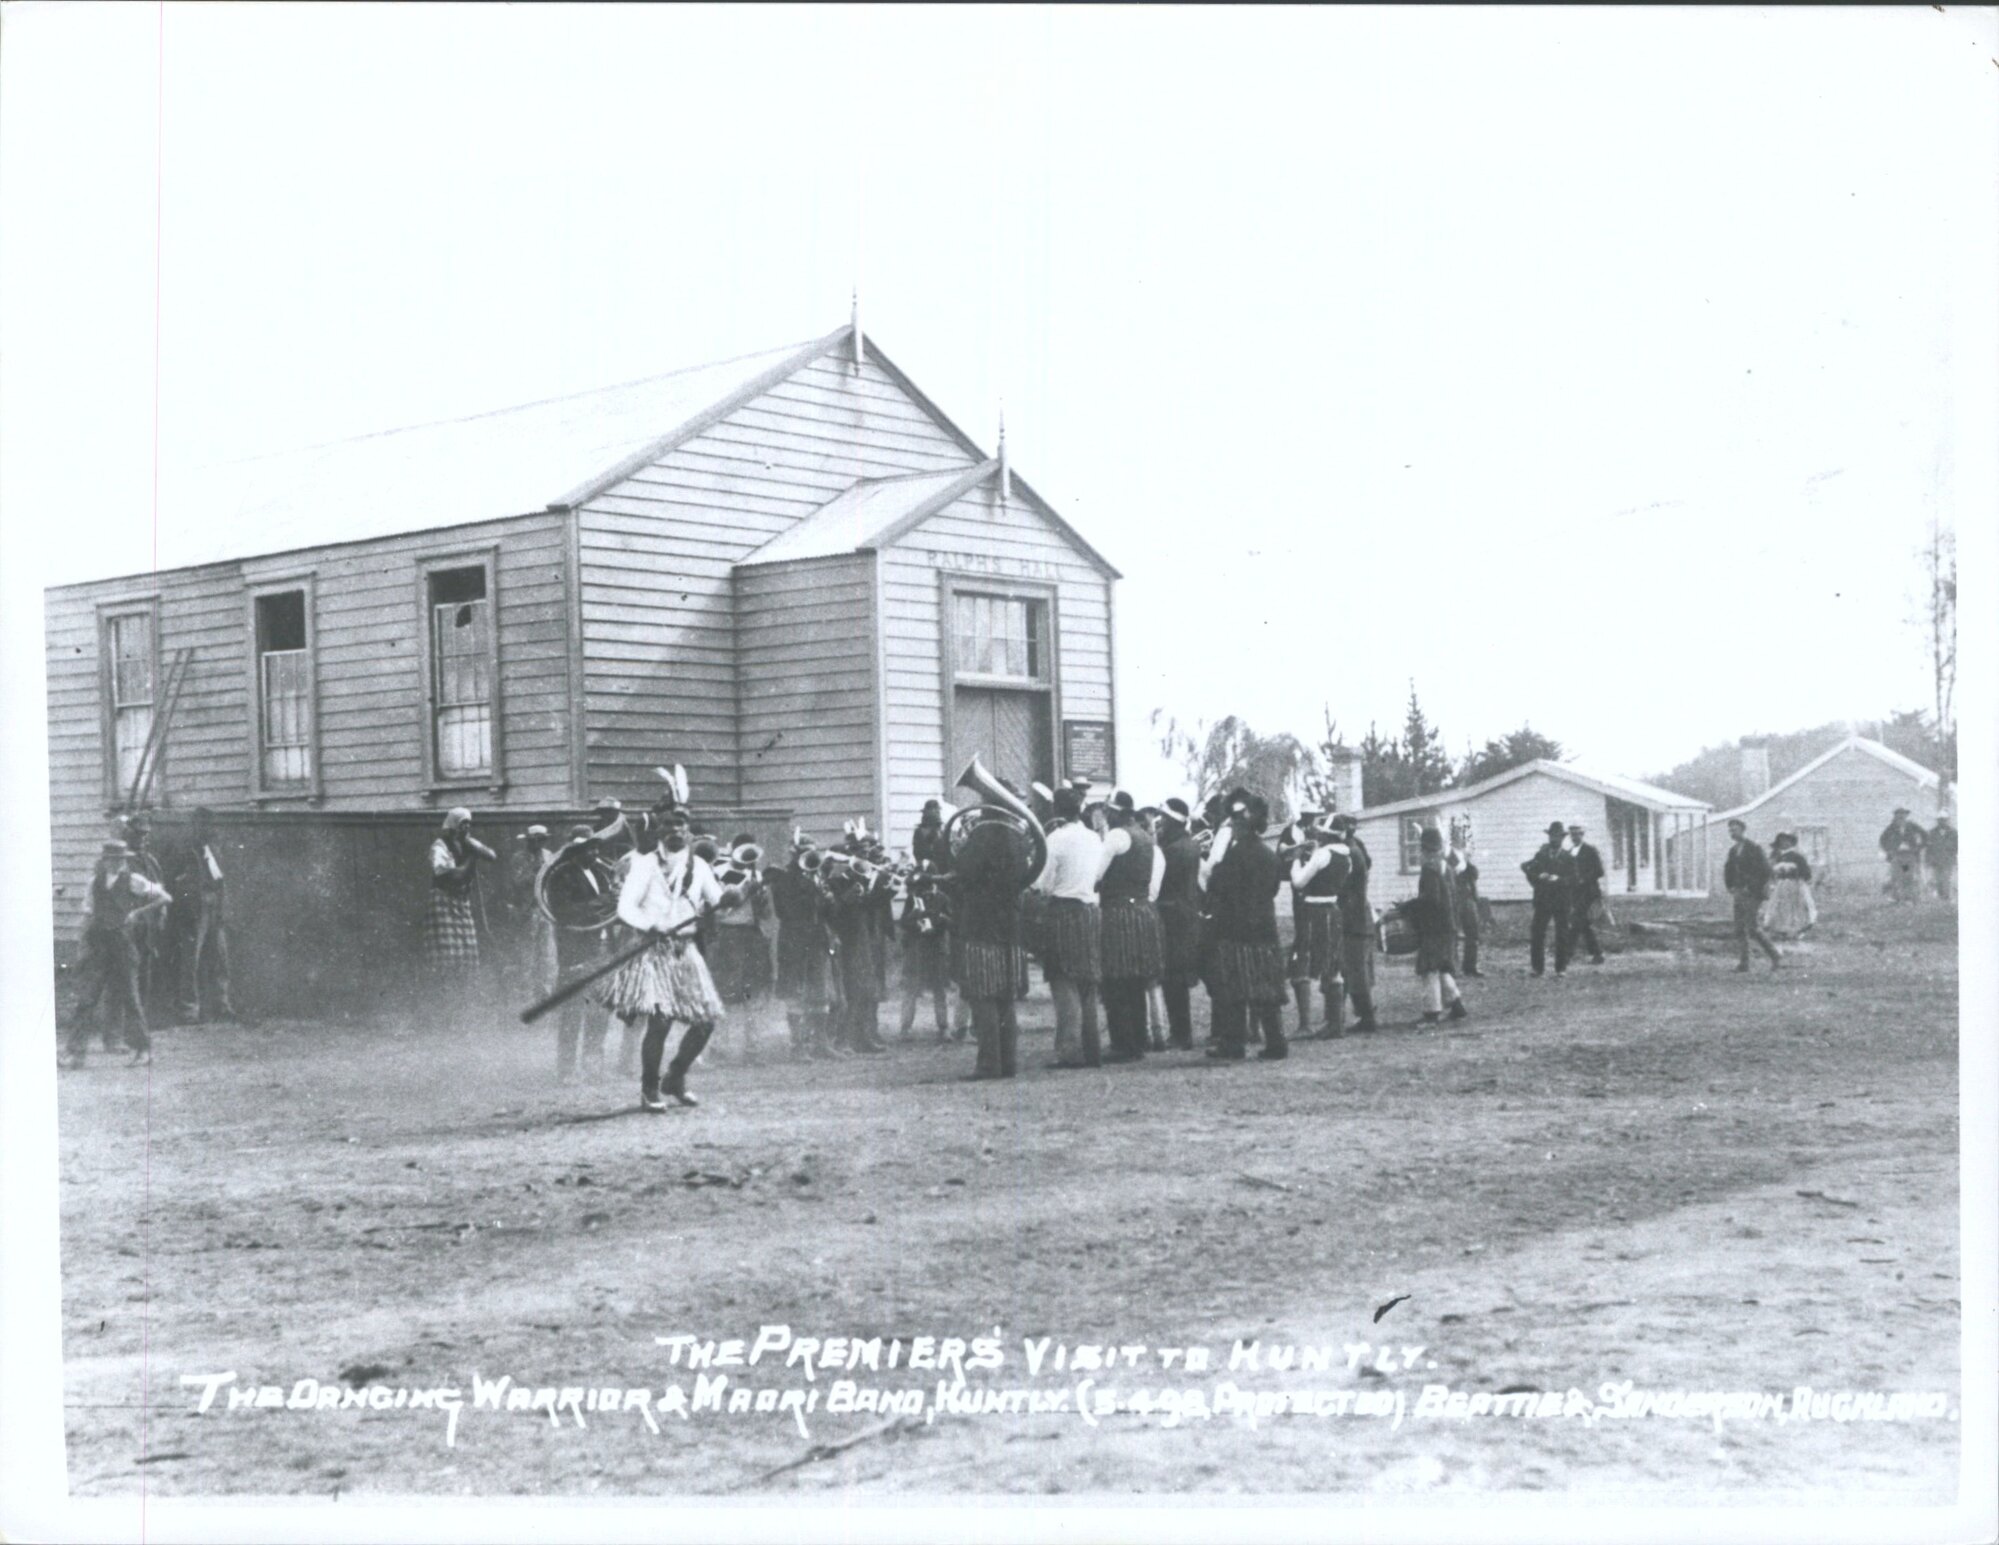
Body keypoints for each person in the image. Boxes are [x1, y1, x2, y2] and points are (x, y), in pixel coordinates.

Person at [593, 799, 740, 1110]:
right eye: (668, 824)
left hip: (686, 951)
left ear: (688, 829)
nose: (675, 829)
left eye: (680, 824)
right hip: (654, 951)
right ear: (658, 829)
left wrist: (731, 897)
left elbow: (716, 902)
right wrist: (651, 925)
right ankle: (649, 1090)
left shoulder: (699, 866)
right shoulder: (644, 865)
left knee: (705, 1022)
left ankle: (674, 1077)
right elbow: (626, 908)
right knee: (659, 1024)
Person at [63, 840, 172, 1067]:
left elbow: (165, 898)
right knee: (87, 999)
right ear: (104, 860)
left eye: (121, 859)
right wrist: (84, 942)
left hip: (122, 946)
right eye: (112, 859)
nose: (117, 863)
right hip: (99, 947)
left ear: (125, 860)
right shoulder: (95, 883)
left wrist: (137, 912)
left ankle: (143, 1051)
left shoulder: (134, 880)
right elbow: (89, 911)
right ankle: (75, 1054)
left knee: (131, 998)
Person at [1201, 790, 1288, 1061]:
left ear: (1238, 825)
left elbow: (1216, 887)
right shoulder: (1269, 855)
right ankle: (1276, 1043)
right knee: (1267, 990)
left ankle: (1233, 1044)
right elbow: (1273, 889)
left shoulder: (1235, 855)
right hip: (1264, 927)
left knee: (1233, 991)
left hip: (1236, 930)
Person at [952, 802, 1035, 1079]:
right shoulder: (1019, 837)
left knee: (982, 994)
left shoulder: (981, 835)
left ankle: (989, 1064)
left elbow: (962, 871)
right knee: (1005, 996)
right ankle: (1008, 1062)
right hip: (1010, 925)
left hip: (981, 923)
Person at [1036, 786, 1104, 1068]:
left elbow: (1043, 883)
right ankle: (1092, 1049)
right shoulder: (1094, 837)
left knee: (1063, 981)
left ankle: (1069, 1050)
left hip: (1064, 910)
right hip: (1090, 911)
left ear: (1056, 810)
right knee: (1087, 982)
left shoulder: (1056, 839)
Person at [1095, 791, 1165, 1062]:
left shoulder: (1116, 836)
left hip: (1118, 913)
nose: (1106, 816)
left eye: (1108, 811)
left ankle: (1123, 1044)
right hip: (1142, 912)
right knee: (1136, 980)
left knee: (1116, 979)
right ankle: (1138, 1039)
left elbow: (1096, 874)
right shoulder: (1146, 837)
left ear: (1116, 812)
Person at [542, 823, 615, 1082]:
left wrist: (607, 903)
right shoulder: (561, 875)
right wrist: (604, 902)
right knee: (573, 1012)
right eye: (587, 848)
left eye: (595, 847)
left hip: (603, 947)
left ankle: (593, 1065)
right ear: (573, 850)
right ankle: (567, 1070)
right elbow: (565, 912)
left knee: (601, 1010)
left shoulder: (600, 872)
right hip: (576, 951)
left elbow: (610, 906)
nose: (593, 853)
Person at [171, 807, 244, 1025]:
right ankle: (189, 1010)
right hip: (195, 910)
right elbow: (175, 881)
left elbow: (221, 880)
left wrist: (222, 908)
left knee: (221, 958)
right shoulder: (184, 850)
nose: (209, 829)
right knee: (191, 960)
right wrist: (188, 904)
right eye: (204, 825)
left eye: (210, 825)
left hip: (215, 906)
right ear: (195, 826)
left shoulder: (214, 849)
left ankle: (221, 1005)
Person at [770, 833, 838, 1061]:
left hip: (817, 939)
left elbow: (826, 912)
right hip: (794, 939)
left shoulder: (817, 875)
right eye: (803, 852)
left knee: (820, 991)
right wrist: (813, 890)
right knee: (796, 993)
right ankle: (797, 1046)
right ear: (793, 853)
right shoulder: (784, 878)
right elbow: (784, 911)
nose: (809, 857)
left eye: (812, 851)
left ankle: (821, 1043)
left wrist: (829, 900)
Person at [424, 808, 496, 1025]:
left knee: (467, 954)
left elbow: (492, 856)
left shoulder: (466, 843)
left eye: (468, 824)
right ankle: (444, 1011)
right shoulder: (440, 846)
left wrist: (473, 846)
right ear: (452, 824)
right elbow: (453, 875)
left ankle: (463, 1009)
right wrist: (471, 860)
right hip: (444, 902)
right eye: (462, 823)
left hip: (462, 904)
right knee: (448, 958)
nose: (466, 827)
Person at [707, 835, 775, 1060]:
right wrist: (746, 890)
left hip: (751, 935)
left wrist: (761, 898)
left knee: (753, 992)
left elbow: (765, 913)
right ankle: (720, 1048)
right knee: (725, 991)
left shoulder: (754, 874)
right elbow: (721, 909)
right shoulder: (723, 872)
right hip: (729, 934)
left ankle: (753, 1049)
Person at [1288, 818, 1353, 1040]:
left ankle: (1308, 1024)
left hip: (1313, 911)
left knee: (1303, 961)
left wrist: (1296, 860)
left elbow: (1299, 882)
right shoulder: (1346, 856)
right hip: (1333, 910)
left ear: (1327, 835)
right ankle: (1336, 1023)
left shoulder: (1323, 854)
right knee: (1333, 964)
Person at [1154, 797, 1204, 1050]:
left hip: (1172, 915)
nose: (1160, 823)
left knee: (1173, 977)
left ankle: (1180, 1032)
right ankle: (1181, 1031)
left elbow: (1160, 884)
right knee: (1179, 976)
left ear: (1173, 821)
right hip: (1186, 913)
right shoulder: (1191, 845)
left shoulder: (1172, 850)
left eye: (1163, 818)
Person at [1410, 827, 1470, 1024]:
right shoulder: (1446, 866)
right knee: (1443, 966)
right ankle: (1456, 1005)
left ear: (1425, 848)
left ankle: (1432, 1012)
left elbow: (1431, 899)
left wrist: (1409, 906)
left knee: (1429, 967)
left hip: (1434, 925)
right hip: (1448, 923)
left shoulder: (1429, 867)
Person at [1332, 813, 1380, 1032]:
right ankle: (1360, 1014)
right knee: (1356, 967)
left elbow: (1342, 885)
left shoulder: (1350, 852)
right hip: (1359, 916)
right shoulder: (1356, 848)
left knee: (1355, 969)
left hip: (1354, 918)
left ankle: (1367, 1017)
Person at [898, 865, 955, 1040]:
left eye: (924, 887)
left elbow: (953, 922)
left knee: (939, 989)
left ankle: (943, 1027)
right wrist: (913, 917)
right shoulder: (912, 899)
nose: (920, 891)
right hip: (917, 948)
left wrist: (941, 921)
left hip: (936, 948)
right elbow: (903, 923)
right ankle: (905, 1028)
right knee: (911, 989)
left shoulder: (943, 898)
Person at [1722, 818, 1783, 972]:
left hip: (1753, 893)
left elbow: (1766, 871)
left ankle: (1775, 955)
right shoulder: (1733, 850)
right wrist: (1730, 886)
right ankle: (1744, 963)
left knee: (1752, 927)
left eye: (1734, 830)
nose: (1732, 833)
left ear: (1743, 830)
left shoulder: (1754, 848)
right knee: (1739, 928)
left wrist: (1752, 887)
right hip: (1739, 892)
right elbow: (1728, 869)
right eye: (1730, 830)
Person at [1521, 821, 1577, 978]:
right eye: (1552, 836)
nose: (1555, 839)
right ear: (1549, 837)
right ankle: (1537, 968)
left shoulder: (1568, 857)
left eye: (1558, 837)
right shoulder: (1541, 855)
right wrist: (1538, 877)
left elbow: (1574, 879)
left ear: (1562, 838)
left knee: (1562, 934)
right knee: (1537, 933)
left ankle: (1561, 968)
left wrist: (1559, 879)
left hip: (1562, 901)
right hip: (1543, 900)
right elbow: (1525, 867)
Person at [1566, 823, 1607, 965]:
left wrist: (1584, 879)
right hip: (1575, 893)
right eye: (1572, 834)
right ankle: (1597, 953)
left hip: (1588, 891)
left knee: (1578, 921)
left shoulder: (1590, 850)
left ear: (1582, 835)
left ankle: (1567, 954)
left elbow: (1599, 871)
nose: (1575, 837)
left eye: (1578, 834)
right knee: (1581, 923)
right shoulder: (1570, 852)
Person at [1767, 832, 1818, 938]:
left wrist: (1801, 877)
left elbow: (1806, 872)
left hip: (1795, 884)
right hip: (1781, 885)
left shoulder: (1797, 857)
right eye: (1781, 841)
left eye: (1787, 841)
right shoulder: (1779, 857)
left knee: (1796, 907)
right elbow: (1771, 872)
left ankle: (1798, 930)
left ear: (1791, 843)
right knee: (1780, 907)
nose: (1784, 843)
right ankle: (1782, 929)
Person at [1878, 807, 1927, 904]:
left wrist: (1918, 848)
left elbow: (1924, 835)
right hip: (1897, 856)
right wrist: (1889, 850)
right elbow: (1883, 839)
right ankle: (1895, 898)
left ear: (1906, 816)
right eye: (1898, 815)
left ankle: (1908, 898)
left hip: (1909, 856)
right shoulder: (1892, 827)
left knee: (1908, 876)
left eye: (1903, 814)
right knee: (1895, 876)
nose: (1901, 817)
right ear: (1895, 816)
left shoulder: (1912, 826)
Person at [1451, 849, 1485, 978]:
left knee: (1473, 934)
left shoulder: (1468, 867)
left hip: (1468, 900)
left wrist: (1466, 861)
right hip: (1453, 900)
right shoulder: (1448, 857)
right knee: (1452, 934)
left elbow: (1474, 874)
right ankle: (1451, 967)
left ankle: (1470, 967)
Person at [1928, 815, 1957, 904]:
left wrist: (1953, 855)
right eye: (1940, 820)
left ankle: (1946, 897)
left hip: (1948, 859)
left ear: (1947, 820)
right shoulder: (1932, 832)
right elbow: (1929, 847)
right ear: (1937, 821)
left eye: (1944, 820)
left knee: (1947, 878)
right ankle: (1941, 896)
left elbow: (1957, 846)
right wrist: (1929, 859)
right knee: (1937, 878)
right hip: (1936, 860)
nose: (1942, 822)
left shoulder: (1953, 832)